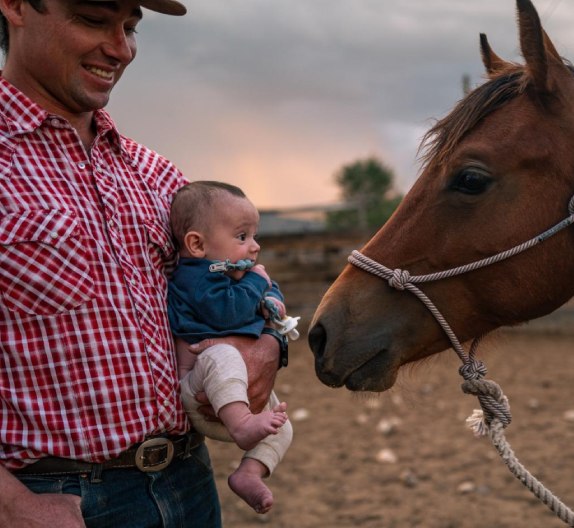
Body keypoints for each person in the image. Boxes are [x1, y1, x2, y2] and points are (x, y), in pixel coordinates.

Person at [0, 1, 281, 527]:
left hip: (186, 480)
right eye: (91, 19)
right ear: (15, 5)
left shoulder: (156, 174)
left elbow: (246, 275)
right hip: (56, 498)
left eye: (129, 27)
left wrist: (270, 344)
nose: (121, 48)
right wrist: (14, 507)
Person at [168, 181, 296, 515]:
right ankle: (242, 424)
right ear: (197, 244)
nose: (254, 247)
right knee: (221, 353)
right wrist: (257, 282)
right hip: (201, 391)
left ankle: (249, 473)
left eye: (254, 236)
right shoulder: (196, 277)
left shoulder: (232, 269)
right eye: (242, 237)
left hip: (233, 391)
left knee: (284, 427)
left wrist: (271, 299)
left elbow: (271, 289)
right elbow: (229, 313)